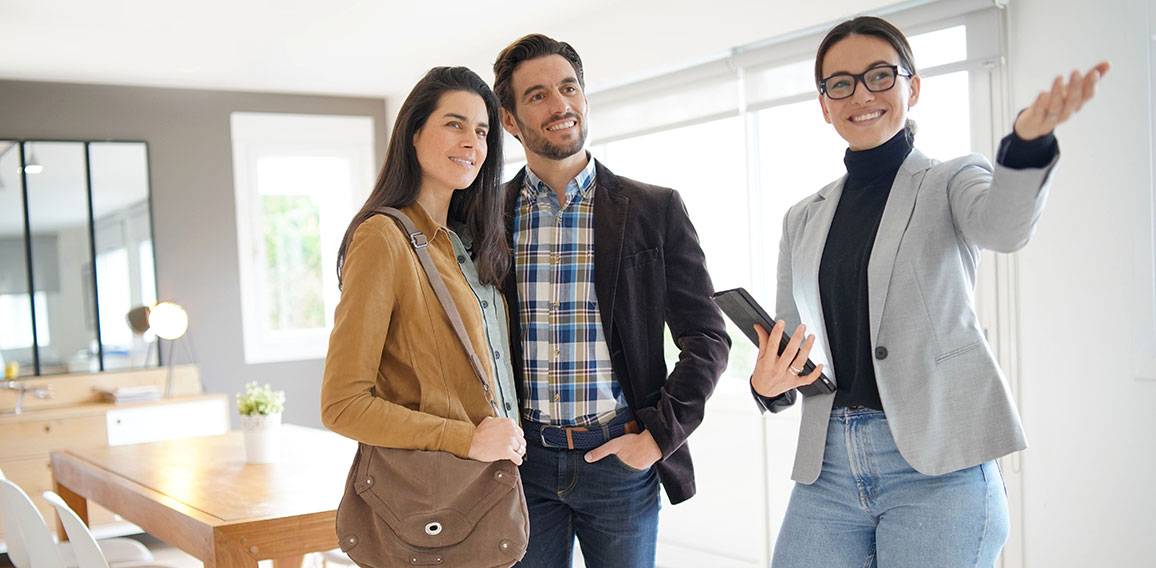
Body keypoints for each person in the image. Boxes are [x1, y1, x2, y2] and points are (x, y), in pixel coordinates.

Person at [748, 16, 1109, 567]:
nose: (861, 94)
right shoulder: (803, 217)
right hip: (829, 467)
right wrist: (767, 385)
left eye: (879, 76)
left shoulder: (952, 178)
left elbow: (1004, 227)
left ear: (912, 87)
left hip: (938, 464)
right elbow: (789, 341)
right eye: (840, 83)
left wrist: (1027, 145)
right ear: (824, 104)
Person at [492, 34, 731, 567]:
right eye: (537, 95)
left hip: (619, 460)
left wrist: (659, 436)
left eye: (569, 87)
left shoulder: (654, 208)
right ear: (510, 120)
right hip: (522, 465)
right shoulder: (485, 216)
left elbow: (708, 337)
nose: (560, 105)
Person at [321, 66, 525, 492]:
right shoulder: (383, 237)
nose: (472, 142)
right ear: (414, 132)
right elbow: (342, 405)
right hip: (442, 495)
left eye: (483, 131)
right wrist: (467, 439)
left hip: (502, 485)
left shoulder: (470, 242)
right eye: (455, 124)